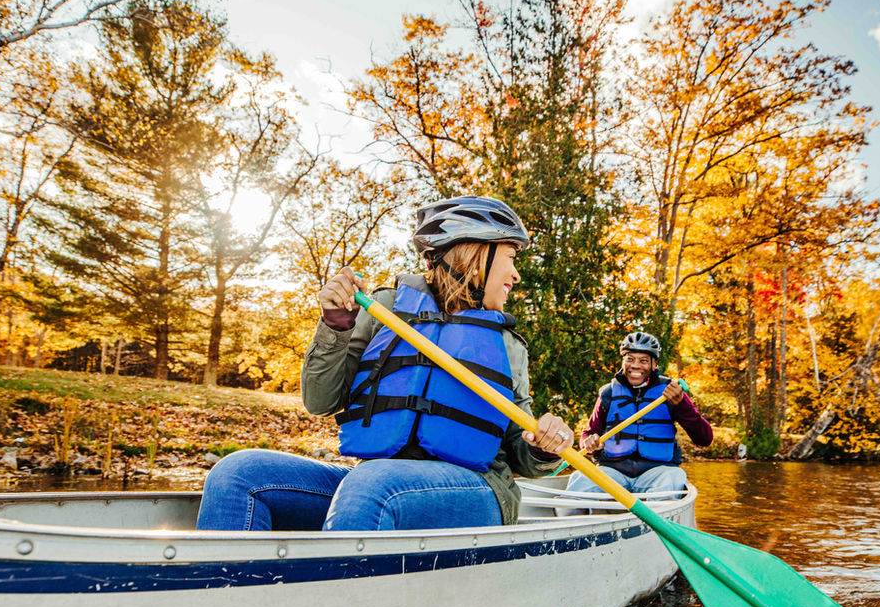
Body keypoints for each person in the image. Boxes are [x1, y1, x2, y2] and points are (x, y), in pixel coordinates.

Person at [196, 195, 574, 532]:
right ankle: (232, 604)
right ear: (475, 257)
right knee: (237, 474)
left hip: (475, 488)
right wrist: (334, 326)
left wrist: (544, 447)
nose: (516, 274)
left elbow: (520, 452)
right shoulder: (386, 310)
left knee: (372, 486)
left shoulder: (506, 344)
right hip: (374, 482)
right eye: (510, 258)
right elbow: (320, 401)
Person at [563, 331, 712, 503]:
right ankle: (567, 522)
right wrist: (589, 442)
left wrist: (681, 405)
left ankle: (656, 523)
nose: (636, 366)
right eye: (630, 359)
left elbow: (704, 438)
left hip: (657, 472)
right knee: (580, 481)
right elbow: (588, 434)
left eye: (643, 360)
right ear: (623, 361)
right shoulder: (608, 393)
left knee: (674, 477)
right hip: (613, 473)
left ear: (654, 364)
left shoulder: (671, 393)